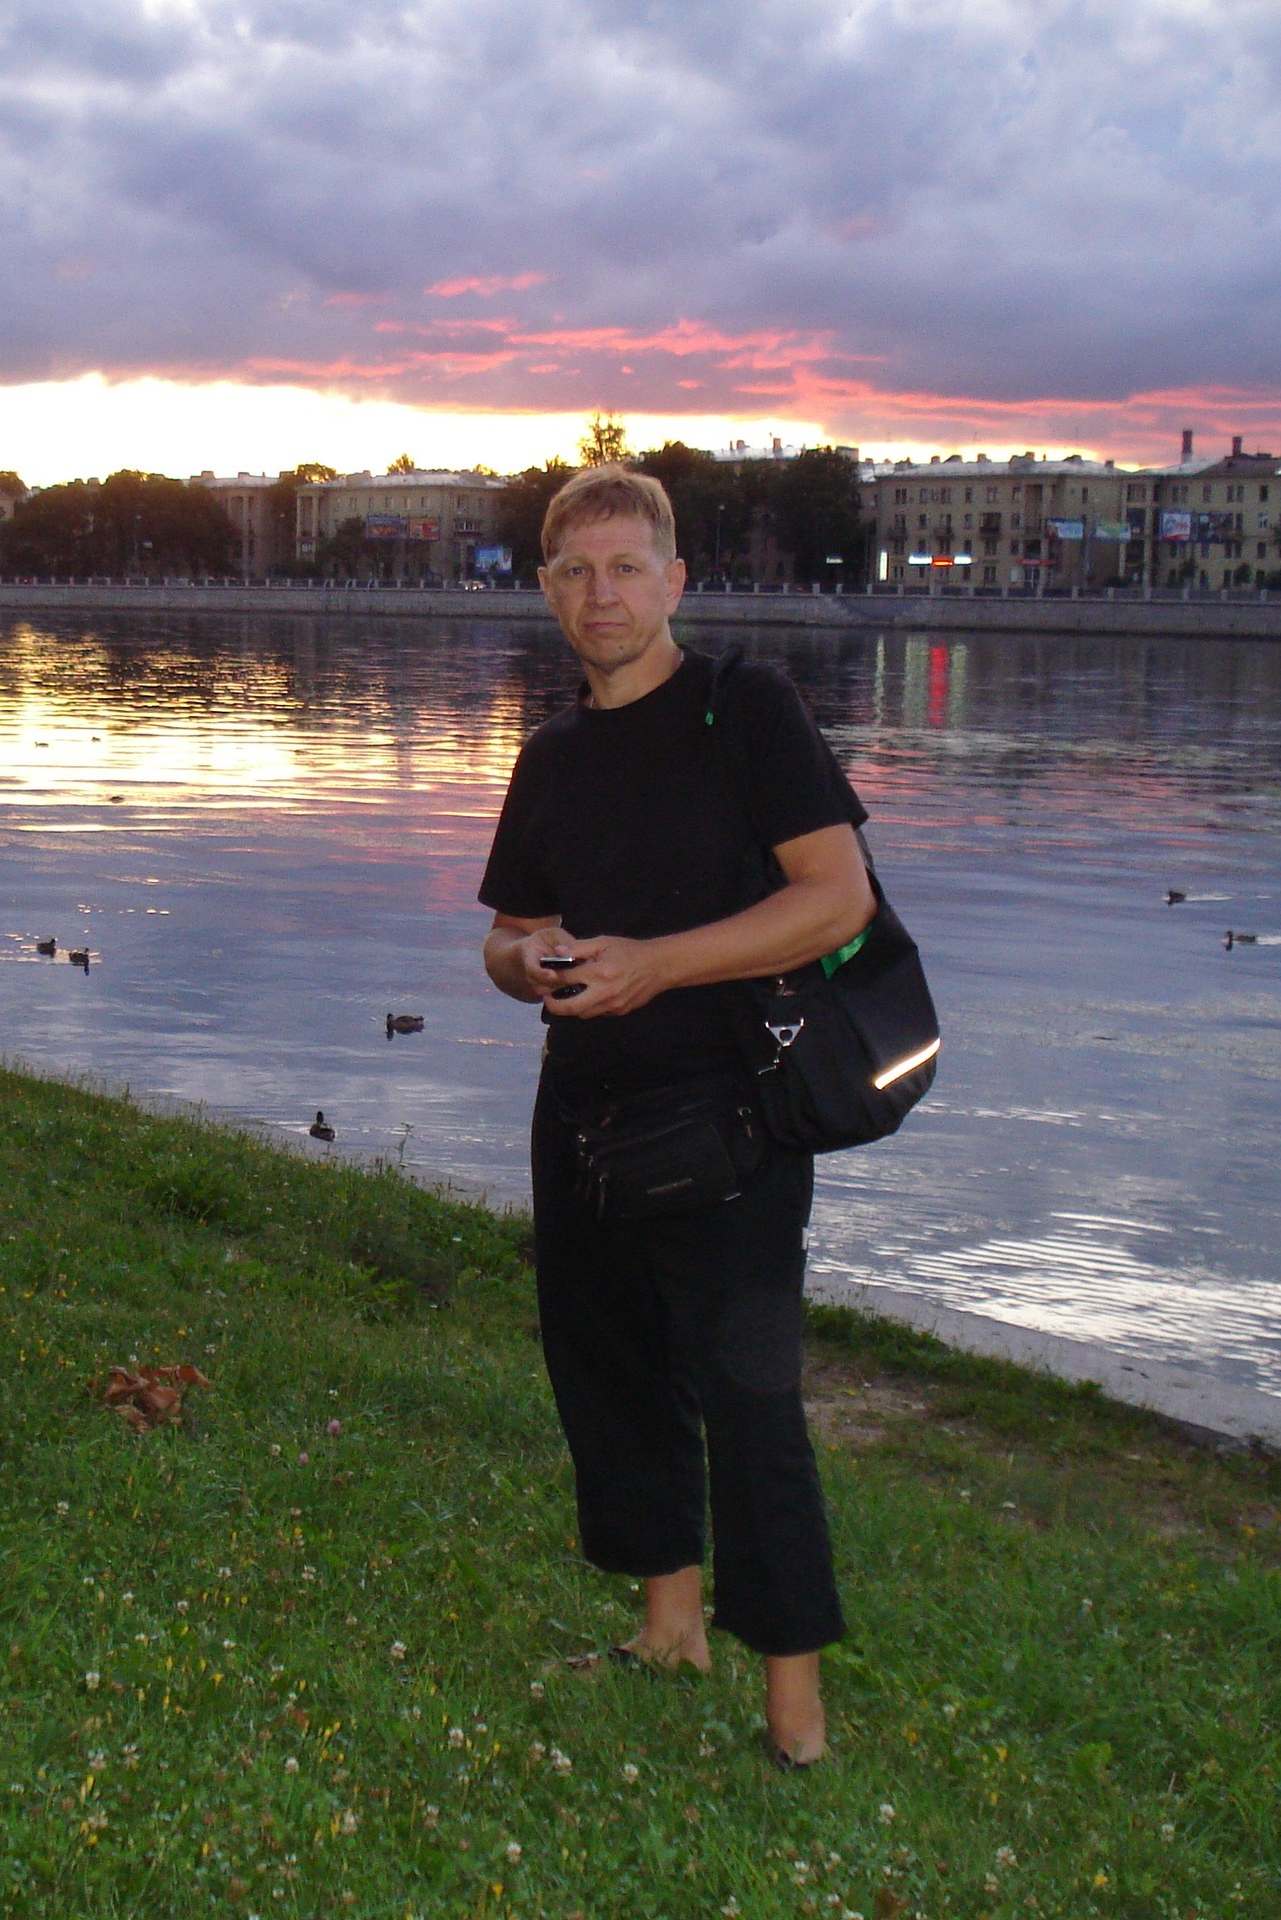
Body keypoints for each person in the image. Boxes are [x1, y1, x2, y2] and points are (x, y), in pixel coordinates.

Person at [475, 465, 875, 1769]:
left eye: (626, 569)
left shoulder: (744, 710)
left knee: (752, 1400)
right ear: (548, 590)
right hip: (583, 1110)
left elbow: (836, 899)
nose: (602, 595)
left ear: (674, 582)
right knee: (608, 1374)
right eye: (576, 572)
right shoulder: (549, 755)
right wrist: (529, 961)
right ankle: (669, 1629)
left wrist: (655, 964)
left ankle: (795, 1710)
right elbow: (507, 934)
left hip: (732, 1119)